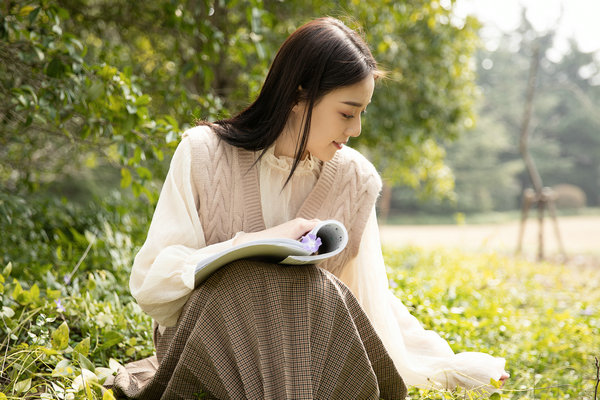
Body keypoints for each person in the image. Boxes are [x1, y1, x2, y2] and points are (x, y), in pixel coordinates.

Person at [107, 17, 507, 399]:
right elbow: (152, 288)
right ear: (299, 94)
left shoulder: (356, 179)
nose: (356, 130)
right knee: (247, 284)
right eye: (347, 112)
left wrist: (450, 366)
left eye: (361, 113)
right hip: (213, 345)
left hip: (307, 353)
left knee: (314, 290)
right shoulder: (203, 153)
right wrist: (253, 242)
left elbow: (370, 300)